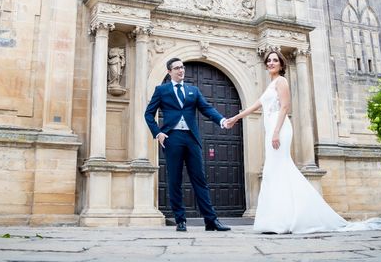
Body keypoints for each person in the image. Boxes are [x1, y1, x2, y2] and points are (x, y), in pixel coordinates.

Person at [225, 49, 347, 234]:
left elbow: (285, 107)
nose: (271, 63)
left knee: (275, 169)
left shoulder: (281, 81)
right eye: (269, 60)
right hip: (273, 129)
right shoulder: (271, 84)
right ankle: (282, 218)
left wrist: (275, 132)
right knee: (278, 170)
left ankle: (283, 220)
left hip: (279, 129)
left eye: (275, 60)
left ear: (281, 64)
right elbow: (255, 105)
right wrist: (235, 118)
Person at [144, 57, 231, 233]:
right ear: (169, 72)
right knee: (174, 180)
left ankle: (211, 220)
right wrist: (158, 133)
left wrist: (221, 120)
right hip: (172, 137)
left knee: (200, 179)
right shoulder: (161, 90)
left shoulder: (193, 90)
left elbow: (206, 108)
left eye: (182, 67)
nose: (181, 70)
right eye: (177, 68)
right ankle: (180, 220)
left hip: (192, 138)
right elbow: (149, 113)